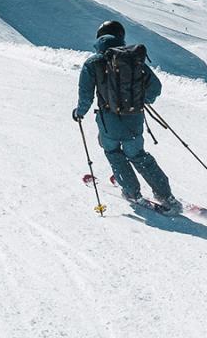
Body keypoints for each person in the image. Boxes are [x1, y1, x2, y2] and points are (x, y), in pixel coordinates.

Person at [73, 19, 179, 213]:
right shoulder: (133, 59)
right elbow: (155, 87)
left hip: (108, 120)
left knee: (114, 153)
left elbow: (85, 95)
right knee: (138, 155)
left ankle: (131, 191)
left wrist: (79, 113)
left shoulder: (93, 63)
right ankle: (165, 195)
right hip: (134, 118)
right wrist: (140, 100)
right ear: (121, 38)